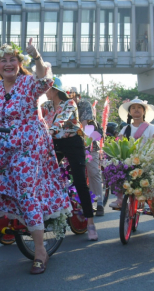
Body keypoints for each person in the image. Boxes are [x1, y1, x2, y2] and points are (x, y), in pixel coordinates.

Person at [0, 39, 71, 275]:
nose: (8, 64)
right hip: (0, 141)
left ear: (20, 64)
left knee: (25, 190)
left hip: (28, 144)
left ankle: (40, 250)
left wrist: (37, 57)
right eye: (3, 61)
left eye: (13, 60)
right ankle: (1, 220)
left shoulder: (29, 83)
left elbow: (44, 80)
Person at [42, 80, 98, 241]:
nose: (45, 91)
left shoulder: (69, 103)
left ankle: (90, 222)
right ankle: (51, 214)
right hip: (53, 141)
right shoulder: (46, 106)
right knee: (45, 175)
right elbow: (38, 119)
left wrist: (51, 130)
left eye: (48, 89)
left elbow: (61, 119)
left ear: (55, 90)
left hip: (72, 142)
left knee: (80, 181)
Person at [114, 98, 154, 239]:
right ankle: (120, 198)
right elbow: (118, 146)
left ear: (144, 111)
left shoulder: (151, 128)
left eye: (139, 107)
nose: (136, 110)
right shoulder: (125, 129)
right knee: (114, 172)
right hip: (129, 164)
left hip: (146, 165)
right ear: (129, 112)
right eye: (133, 108)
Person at [70, 86, 105, 217]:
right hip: (70, 141)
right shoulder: (61, 105)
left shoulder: (84, 104)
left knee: (93, 171)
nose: (71, 98)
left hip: (89, 139)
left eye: (73, 95)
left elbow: (85, 125)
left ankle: (100, 202)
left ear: (77, 96)